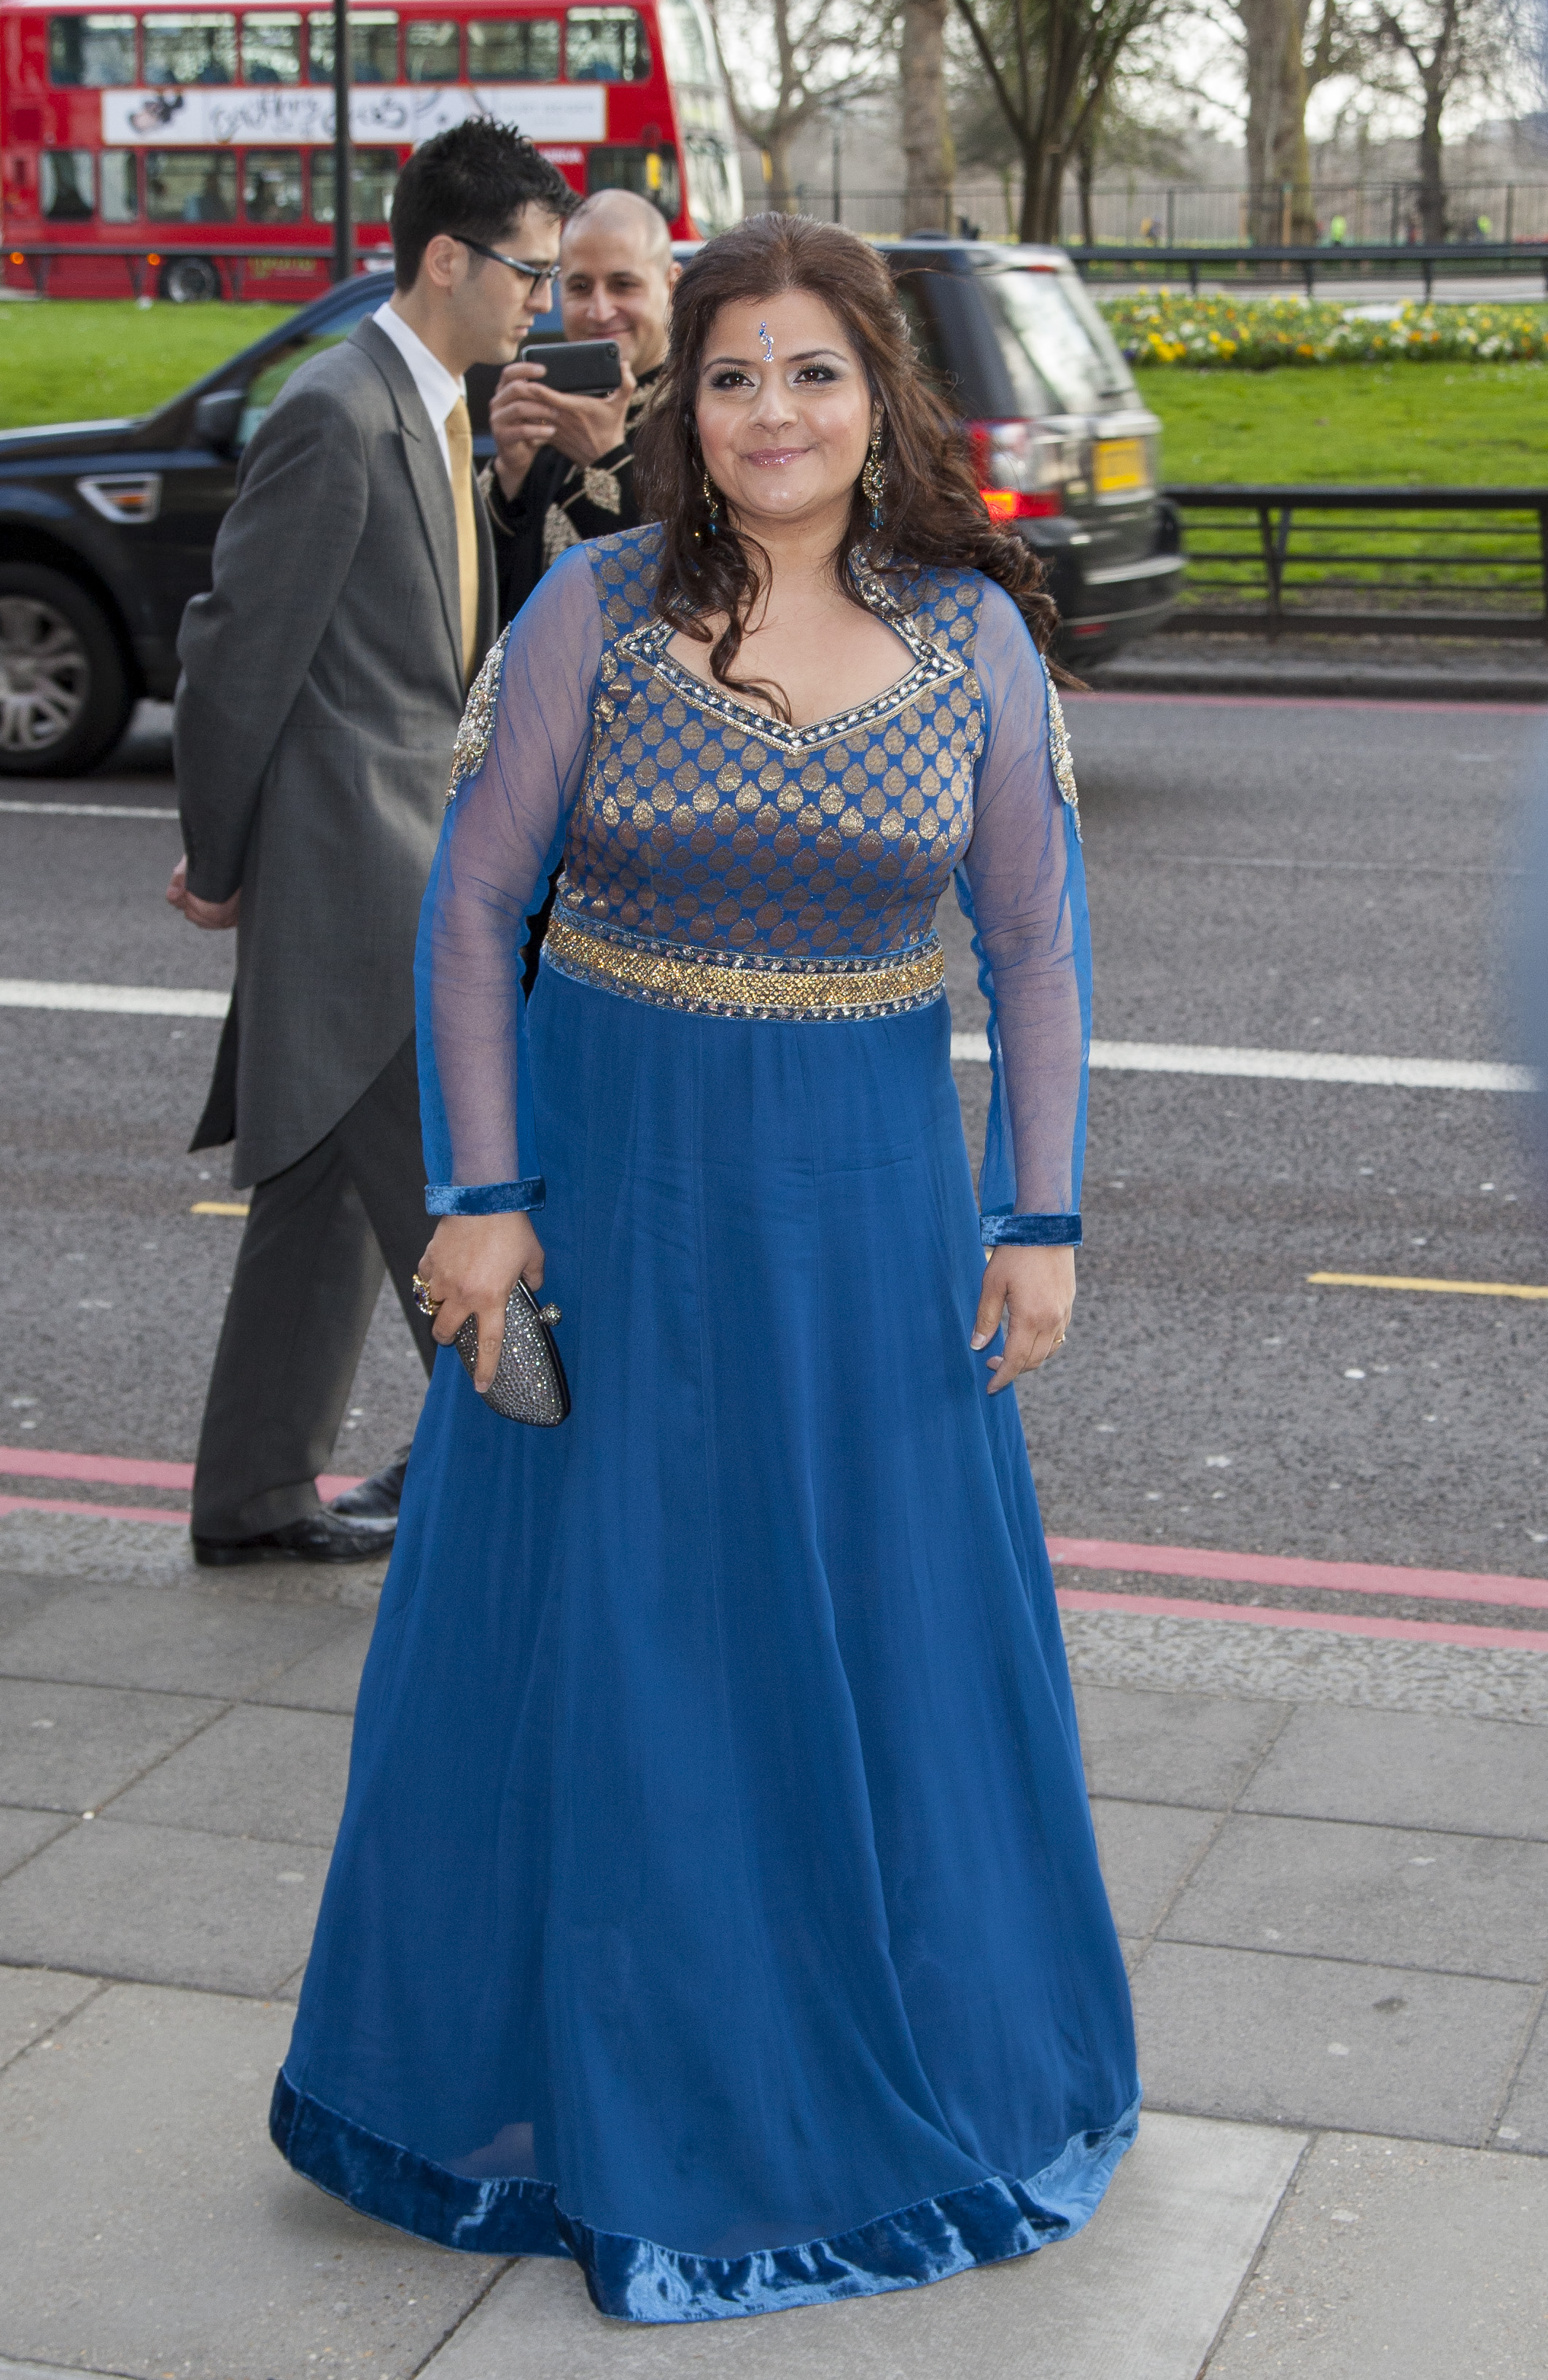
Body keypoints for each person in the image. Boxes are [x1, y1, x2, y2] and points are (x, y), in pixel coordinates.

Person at [272, 214, 1138, 2320]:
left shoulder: (975, 636)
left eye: (816, 375)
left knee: (867, 1639)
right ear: (688, 402)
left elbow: (1034, 947)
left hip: (864, 1219)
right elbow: (471, 915)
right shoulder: (588, 608)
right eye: (734, 375)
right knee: (623, 1645)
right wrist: (485, 1196)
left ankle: (880, 2066)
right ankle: (600, 2096)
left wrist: (1039, 1220)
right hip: (619, 1193)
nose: (774, 413)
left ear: (882, 402)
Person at [167, 122, 573, 1567]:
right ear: (446, 259)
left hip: (407, 871)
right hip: (368, 895)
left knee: (314, 1202)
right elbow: (236, 661)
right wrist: (217, 865)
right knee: (464, 1214)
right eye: (528, 272)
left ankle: (252, 1499)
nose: (547, 301)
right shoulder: (334, 415)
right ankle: (544, 1520)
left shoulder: (442, 416)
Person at [483, 184, 680, 628]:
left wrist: (608, 460)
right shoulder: (546, 404)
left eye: (623, 285)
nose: (600, 310)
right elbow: (484, 594)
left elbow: (698, 583)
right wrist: (509, 478)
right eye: (579, 287)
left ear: (672, 285)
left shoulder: (706, 412)